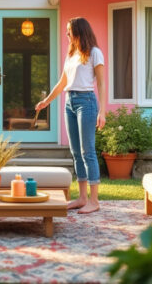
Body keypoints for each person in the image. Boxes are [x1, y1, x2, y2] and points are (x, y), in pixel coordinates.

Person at [36, 17, 106, 214]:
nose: (67, 34)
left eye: (69, 31)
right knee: (75, 152)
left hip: (87, 102)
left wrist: (102, 112)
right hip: (70, 102)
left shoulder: (95, 53)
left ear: (79, 32)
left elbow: (100, 83)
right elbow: (62, 82)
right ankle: (82, 198)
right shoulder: (71, 54)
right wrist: (46, 101)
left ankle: (94, 200)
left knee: (88, 151)